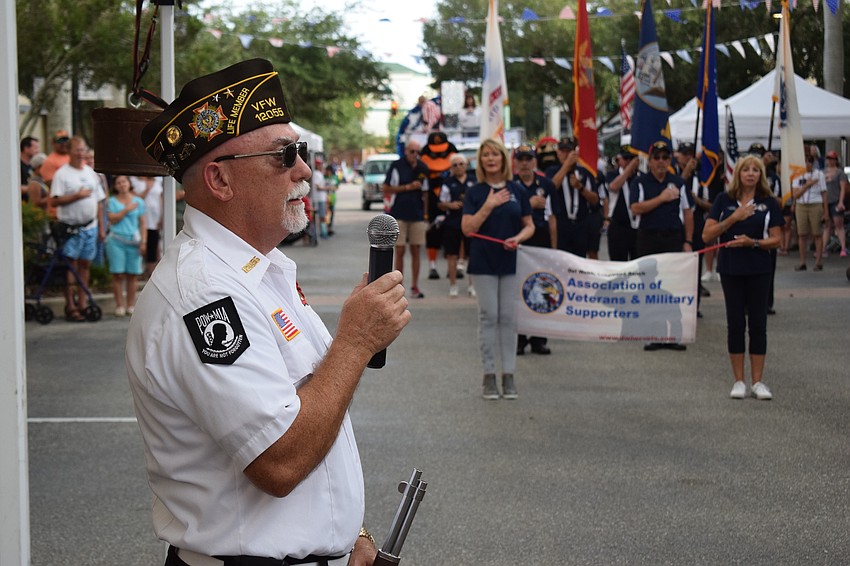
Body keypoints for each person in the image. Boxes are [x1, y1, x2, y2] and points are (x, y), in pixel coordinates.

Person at [127, 58, 409, 566]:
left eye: (301, 151)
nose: (305, 169)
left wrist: (349, 533)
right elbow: (279, 460)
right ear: (219, 180)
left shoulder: (262, 270)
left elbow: (306, 405)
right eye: (285, 155)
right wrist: (355, 341)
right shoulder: (205, 294)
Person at [702, 155, 784, 400]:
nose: (751, 174)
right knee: (736, 324)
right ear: (737, 173)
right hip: (731, 268)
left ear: (761, 175)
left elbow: (777, 238)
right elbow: (707, 235)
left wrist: (754, 242)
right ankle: (739, 381)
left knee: (758, 324)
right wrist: (733, 218)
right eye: (746, 170)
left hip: (759, 267)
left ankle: (758, 381)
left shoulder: (768, 202)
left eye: (755, 170)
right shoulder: (723, 200)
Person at [462, 139, 535, 400]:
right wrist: (489, 205)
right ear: (481, 161)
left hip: (511, 261)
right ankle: (489, 376)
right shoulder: (475, 192)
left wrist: (519, 238)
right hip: (483, 263)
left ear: (504, 159)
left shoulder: (517, 190)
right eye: (486, 155)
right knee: (489, 316)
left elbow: (529, 224)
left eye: (495, 154)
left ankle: (509, 375)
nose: (491, 159)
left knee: (508, 318)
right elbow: (467, 228)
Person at [629, 140, 695, 351]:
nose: (660, 162)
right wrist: (661, 198)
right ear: (649, 161)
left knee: (671, 287)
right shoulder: (640, 182)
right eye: (656, 158)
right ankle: (655, 333)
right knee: (650, 288)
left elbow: (688, 212)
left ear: (670, 160)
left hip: (673, 237)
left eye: (665, 158)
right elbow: (636, 208)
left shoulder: (678, 183)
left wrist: (688, 241)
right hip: (648, 237)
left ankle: (674, 336)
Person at [49, 136, 106, 322]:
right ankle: (70, 305)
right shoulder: (62, 174)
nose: (81, 153)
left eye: (83, 149)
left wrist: (101, 228)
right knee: (70, 267)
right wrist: (77, 196)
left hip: (90, 226)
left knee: (85, 265)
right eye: (77, 150)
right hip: (70, 230)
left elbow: (99, 202)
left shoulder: (90, 173)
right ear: (70, 151)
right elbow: (54, 200)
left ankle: (83, 302)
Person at [512, 144, 555, 356]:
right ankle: (519, 339)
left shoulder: (545, 184)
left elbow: (553, 217)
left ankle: (539, 339)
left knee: (542, 288)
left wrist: (554, 249)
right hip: (519, 239)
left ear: (535, 161)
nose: (525, 162)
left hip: (542, 238)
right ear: (516, 162)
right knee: (520, 290)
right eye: (521, 159)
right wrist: (529, 203)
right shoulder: (511, 186)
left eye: (529, 158)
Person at [383, 140, 430, 298]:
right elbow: (386, 187)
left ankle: (415, 286)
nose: (415, 155)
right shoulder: (397, 166)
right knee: (400, 250)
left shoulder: (423, 167)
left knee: (416, 250)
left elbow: (426, 192)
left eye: (418, 152)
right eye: (412, 152)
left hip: (417, 214)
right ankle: (399, 285)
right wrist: (406, 187)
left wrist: (426, 214)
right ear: (406, 151)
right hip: (399, 213)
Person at [545, 137, 599, 257]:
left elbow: (595, 199)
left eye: (568, 151)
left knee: (579, 260)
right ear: (558, 153)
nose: (565, 154)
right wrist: (566, 166)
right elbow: (550, 188)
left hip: (580, 224)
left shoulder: (584, 172)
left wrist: (580, 187)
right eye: (562, 151)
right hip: (561, 224)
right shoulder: (552, 170)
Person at [105, 175, 146, 316]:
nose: (122, 184)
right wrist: (126, 210)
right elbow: (112, 219)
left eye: (124, 181)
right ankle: (119, 305)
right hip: (116, 240)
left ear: (129, 184)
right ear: (115, 186)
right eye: (118, 182)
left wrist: (144, 241)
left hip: (133, 241)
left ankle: (130, 305)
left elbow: (142, 223)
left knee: (132, 274)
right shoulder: (111, 201)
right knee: (118, 274)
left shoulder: (139, 201)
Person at [419, 131, 457, 280]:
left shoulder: (457, 178)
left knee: (451, 237)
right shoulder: (424, 176)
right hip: (432, 207)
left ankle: (453, 267)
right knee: (432, 235)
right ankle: (432, 266)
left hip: (452, 212)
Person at [438, 154, 476, 297]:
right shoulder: (447, 183)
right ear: (451, 168)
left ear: (466, 165)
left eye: (461, 164)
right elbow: (440, 203)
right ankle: (453, 285)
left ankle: (472, 285)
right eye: (455, 165)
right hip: (452, 222)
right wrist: (450, 205)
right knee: (452, 255)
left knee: (472, 254)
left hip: (470, 223)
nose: (459, 167)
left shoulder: (474, 181)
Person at [791, 150, 828, 271]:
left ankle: (818, 261)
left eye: (809, 162)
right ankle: (802, 262)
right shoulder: (797, 175)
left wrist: (825, 211)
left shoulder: (819, 175)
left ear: (812, 163)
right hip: (801, 205)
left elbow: (824, 193)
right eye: (805, 162)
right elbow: (795, 194)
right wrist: (808, 185)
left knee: (817, 233)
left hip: (815, 204)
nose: (807, 164)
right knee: (802, 234)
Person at [605, 146, 640, 261]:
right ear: (619, 160)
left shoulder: (641, 177)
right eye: (626, 159)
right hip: (618, 225)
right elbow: (614, 187)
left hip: (637, 226)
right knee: (617, 263)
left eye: (631, 159)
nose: (629, 162)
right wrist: (628, 170)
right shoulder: (612, 174)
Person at [131, 176, 165, 277]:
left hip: (155, 218)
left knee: (153, 244)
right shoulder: (134, 180)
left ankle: (151, 272)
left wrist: (162, 217)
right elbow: (135, 199)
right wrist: (147, 189)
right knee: (142, 243)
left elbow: (161, 199)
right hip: (142, 218)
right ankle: (141, 270)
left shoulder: (158, 180)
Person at [822, 150, 847, 257]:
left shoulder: (840, 173)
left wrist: (841, 202)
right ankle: (823, 249)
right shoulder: (822, 172)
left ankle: (843, 248)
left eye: (832, 159)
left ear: (835, 160)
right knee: (827, 226)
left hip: (835, 200)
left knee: (838, 225)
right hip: (825, 201)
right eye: (828, 159)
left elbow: (843, 188)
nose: (830, 161)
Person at [20, 135, 40, 199]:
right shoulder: (18, 167)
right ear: (26, 148)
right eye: (35, 148)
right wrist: (34, 189)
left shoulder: (32, 166)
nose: (37, 151)